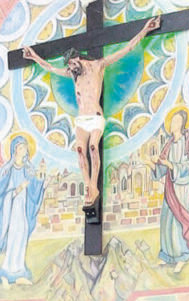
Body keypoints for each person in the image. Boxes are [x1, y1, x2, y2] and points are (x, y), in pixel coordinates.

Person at [21, 15, 161, 208]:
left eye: (71, 63)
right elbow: (50, 67)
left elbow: (126, 48)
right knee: (80, 151)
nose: (70, 68)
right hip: (81, 120)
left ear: (78, 58)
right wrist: (33, 57)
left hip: (95, 118)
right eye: (69, 65)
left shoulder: (98, 66)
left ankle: (94, 186)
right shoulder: (73, 74)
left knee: (93, 148)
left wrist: (145, 29)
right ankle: (88, 186)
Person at [150, 109, 189, 273]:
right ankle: (168, 256)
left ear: (182, 124)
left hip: (181, 186)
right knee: (167, 220)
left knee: (179, 221)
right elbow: (161, 170)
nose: (173, 124)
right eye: (172, 121)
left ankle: (183, 256)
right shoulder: (169, 144)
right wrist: (152, 164)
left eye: (176, 121)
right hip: (170, 187)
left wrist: (171, 165)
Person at [0, 135, 46, 287]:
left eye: (25, 147)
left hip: (23, 209)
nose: (25, 150)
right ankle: (6, 272)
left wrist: (42, 179)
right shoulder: (7, 170)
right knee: (13, 237)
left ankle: (18, 272)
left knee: (22, 236)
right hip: (11, 210)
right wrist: (17, 190)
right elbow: (1, 196)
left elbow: (35, 189)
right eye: (21, 147)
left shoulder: (28, 169)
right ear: (14, 150)